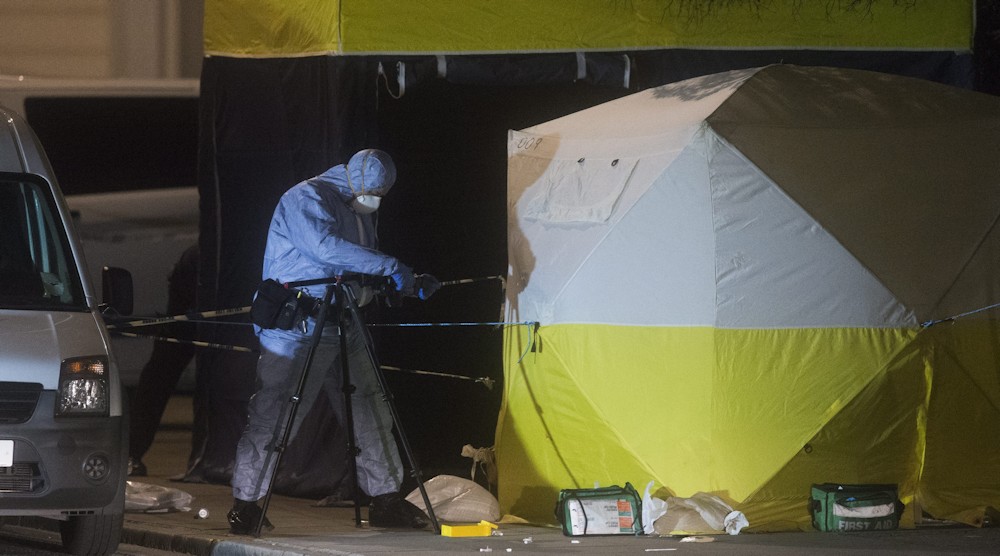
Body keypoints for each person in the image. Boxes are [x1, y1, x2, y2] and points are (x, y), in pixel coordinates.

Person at [227, 149, 440, 534]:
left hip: (344, 322)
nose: (374, 200)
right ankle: (246, 503)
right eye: (371, 192)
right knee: (276, 412)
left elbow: (358, 266)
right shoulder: (305, 197)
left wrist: (403, 284)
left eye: (380, 195)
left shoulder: (357, 209)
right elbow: (325, 249)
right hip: (299, 327)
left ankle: (385, 498)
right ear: (354, 180)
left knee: (370, 407)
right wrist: (390, 266)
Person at [128, 243, 206, 477]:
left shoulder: (197, 256)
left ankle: (132, 453)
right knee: (159, 378)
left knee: (158, 380)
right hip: (186, 314)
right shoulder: (198, 259)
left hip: (188, 312)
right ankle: (131, 452)